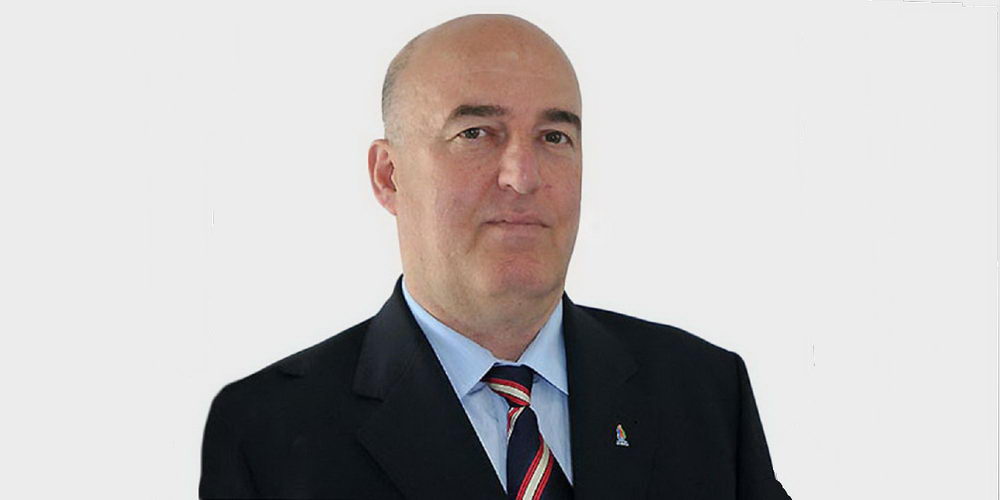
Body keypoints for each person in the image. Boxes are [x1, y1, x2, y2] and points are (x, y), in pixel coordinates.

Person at [199, 13, 792, 500]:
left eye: (554, 137)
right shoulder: (267, 433)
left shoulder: (704, 394)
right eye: (476, 133)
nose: (522, 176)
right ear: (389, 175)